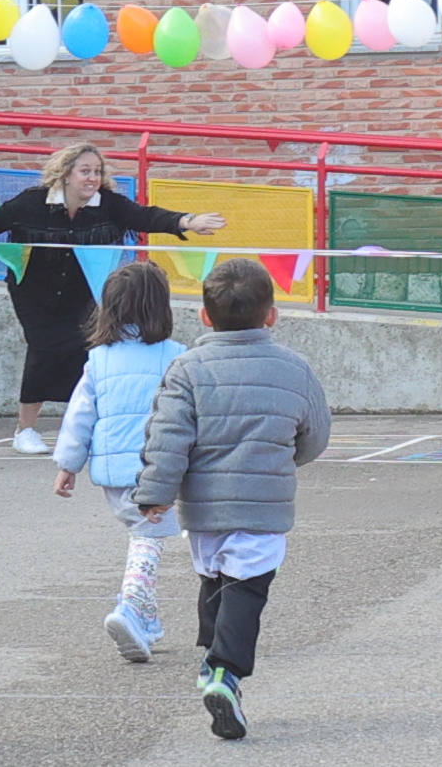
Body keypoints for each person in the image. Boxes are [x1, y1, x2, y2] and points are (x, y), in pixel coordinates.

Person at [132, 258, 331, 740]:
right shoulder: (294, 368)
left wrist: (155, 493)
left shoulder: (187, 368)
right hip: (264, 502)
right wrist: (285, 461)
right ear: (272, 314)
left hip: (203, 506)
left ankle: (211, 660)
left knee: (215, 576)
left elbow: (168, 435)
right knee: (247, 587)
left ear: (203, 315)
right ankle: (225, 671)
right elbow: (316, 434)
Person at [0, 142, 224, 455]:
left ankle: (78, 427)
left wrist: (187, 221)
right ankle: (25, 430)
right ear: (65, 174)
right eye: (85, 171)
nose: (92, 177)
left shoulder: (109, 205)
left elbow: (145, 217)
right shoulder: (32, 202)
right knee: (43, 346)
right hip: (32, 290)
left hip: (84, 289)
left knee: (82, 349)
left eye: (97, 171)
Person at [52, 261, 186, 663]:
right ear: (161, 307)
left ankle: (146, 620)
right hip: (156, 469)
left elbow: (79, 416)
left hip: (113, 472)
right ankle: (129, 606)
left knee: (145, 536)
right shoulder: (176, 357)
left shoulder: (99, 359)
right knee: (149, 540)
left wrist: (67, 465)